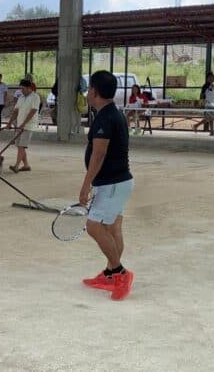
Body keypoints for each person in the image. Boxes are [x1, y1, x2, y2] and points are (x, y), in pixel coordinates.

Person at [79, 70, 135, 301]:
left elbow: (98, 154)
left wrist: (86, 185)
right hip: (119, 181)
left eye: (89, 88)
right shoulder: (114, 113)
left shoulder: (104, 117)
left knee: (93, 226)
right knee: (112, 228)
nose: (87, 92)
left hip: (112, 183)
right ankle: (111, 274)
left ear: (95, 91)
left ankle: (120, 272)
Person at [6, 78, 41, 173]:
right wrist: (9, 123)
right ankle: (26, 165)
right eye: (20, 88)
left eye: (23, 88)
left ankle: (16, 166)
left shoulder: (35, 97)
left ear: (29, 88)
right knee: (19, 145)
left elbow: (33, 111)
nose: (21, 90)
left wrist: (24, 124)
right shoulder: (21, 98)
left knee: (21, 146)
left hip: (28, 126)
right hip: (19, 124)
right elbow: (16, 111)